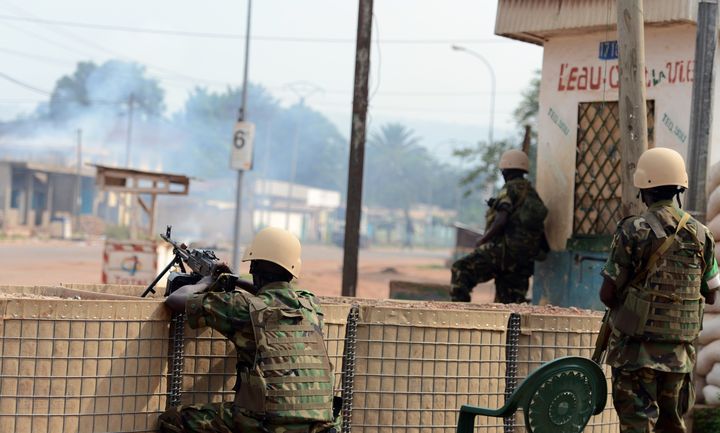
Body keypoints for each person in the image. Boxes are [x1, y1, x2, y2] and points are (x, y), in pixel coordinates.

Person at [158, 227, 338, 433]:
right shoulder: (310, 305)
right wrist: (234, 280)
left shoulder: (242, 307)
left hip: (265, 424)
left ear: (253, 267)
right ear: (292, 271)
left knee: (173, 419)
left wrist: (206, 281)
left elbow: (175, 300)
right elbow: (275, 297)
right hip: (319, 426)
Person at [599, 147, 719, 433]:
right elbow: (711, 293)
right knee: (672, 427)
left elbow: (607, 294)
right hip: (679, 357)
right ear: (680, 187)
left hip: (635, 355)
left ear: (643, 188)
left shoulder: (632, 230)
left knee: (637, 426)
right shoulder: (702, 234)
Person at [450, 149, 548, 303]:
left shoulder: (509, 189)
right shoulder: (531, 193)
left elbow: (502, 218)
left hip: (501, 252)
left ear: (506, 170)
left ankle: (459, 316)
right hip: (522, 260)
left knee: (461, 269)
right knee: (509, 306)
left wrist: (483, 239)